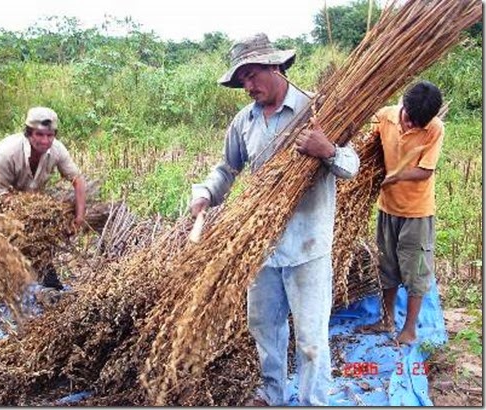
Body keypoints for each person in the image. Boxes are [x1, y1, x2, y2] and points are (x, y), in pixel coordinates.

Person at [189, 33, 359, 406]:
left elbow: (351, 165)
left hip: (307, 246)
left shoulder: (319, 110)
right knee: (265, 328)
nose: (247, 86)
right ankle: (272, 394)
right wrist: (205, 192)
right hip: (261, 247)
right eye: (241, 80)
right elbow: (227, 168)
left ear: (275, 66)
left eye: (251, 75)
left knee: (312, 340)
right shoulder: (244, 121)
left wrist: (327, 150)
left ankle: (314, 401)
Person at [360, 81, 444, 344]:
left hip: (417, 214)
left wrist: (394, 177)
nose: (409, 127)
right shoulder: (385, 116)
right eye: (408, 119)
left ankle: (409, 330)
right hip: (387, 209)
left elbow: (425, 171)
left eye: (416, 125)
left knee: (415, 272)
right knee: (387, 268)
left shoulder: (434, 129)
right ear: (403, 106)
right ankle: (386, 320)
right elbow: (367, 142)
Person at [0, 107, 86, 289]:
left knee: (36, 236)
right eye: (40, 135)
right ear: (28, 133)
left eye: (50, 135)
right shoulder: (6, 154)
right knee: (3, 242)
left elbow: (78, 180)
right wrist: (33, 210)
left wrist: (79, 217)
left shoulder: (57, 150)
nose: (45, 141)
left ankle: (49, 284)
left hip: (23, 198)